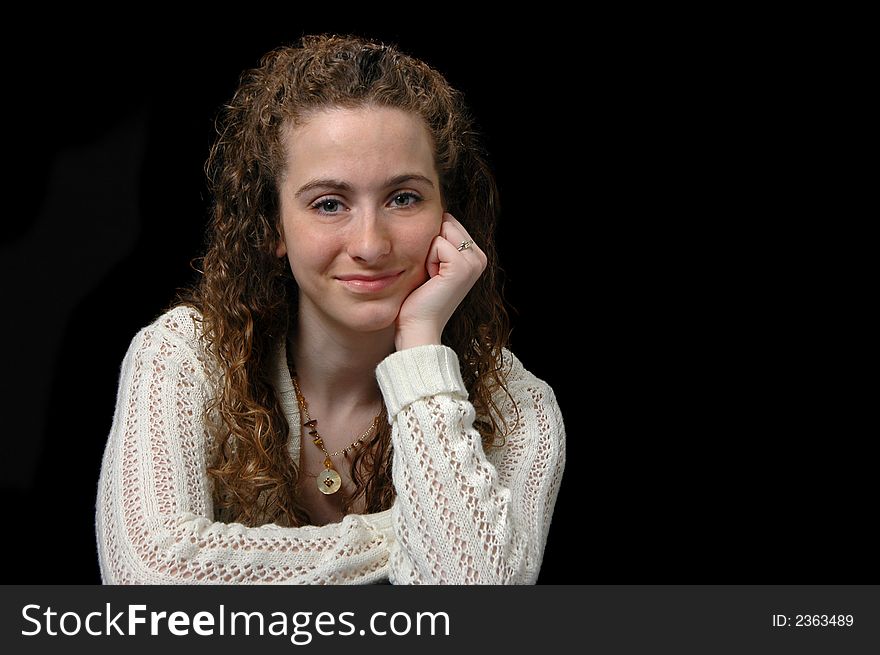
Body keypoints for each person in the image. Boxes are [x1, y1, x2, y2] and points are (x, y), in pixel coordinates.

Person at [95, 34, 565, 584]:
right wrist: (395, 541)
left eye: (403, 197)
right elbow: (150, 581)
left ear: (449, 216)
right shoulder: (182, 357)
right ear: (274, 227)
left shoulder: (516, 404)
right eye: (329, 204)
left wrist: (419, 345)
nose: (370, 244)